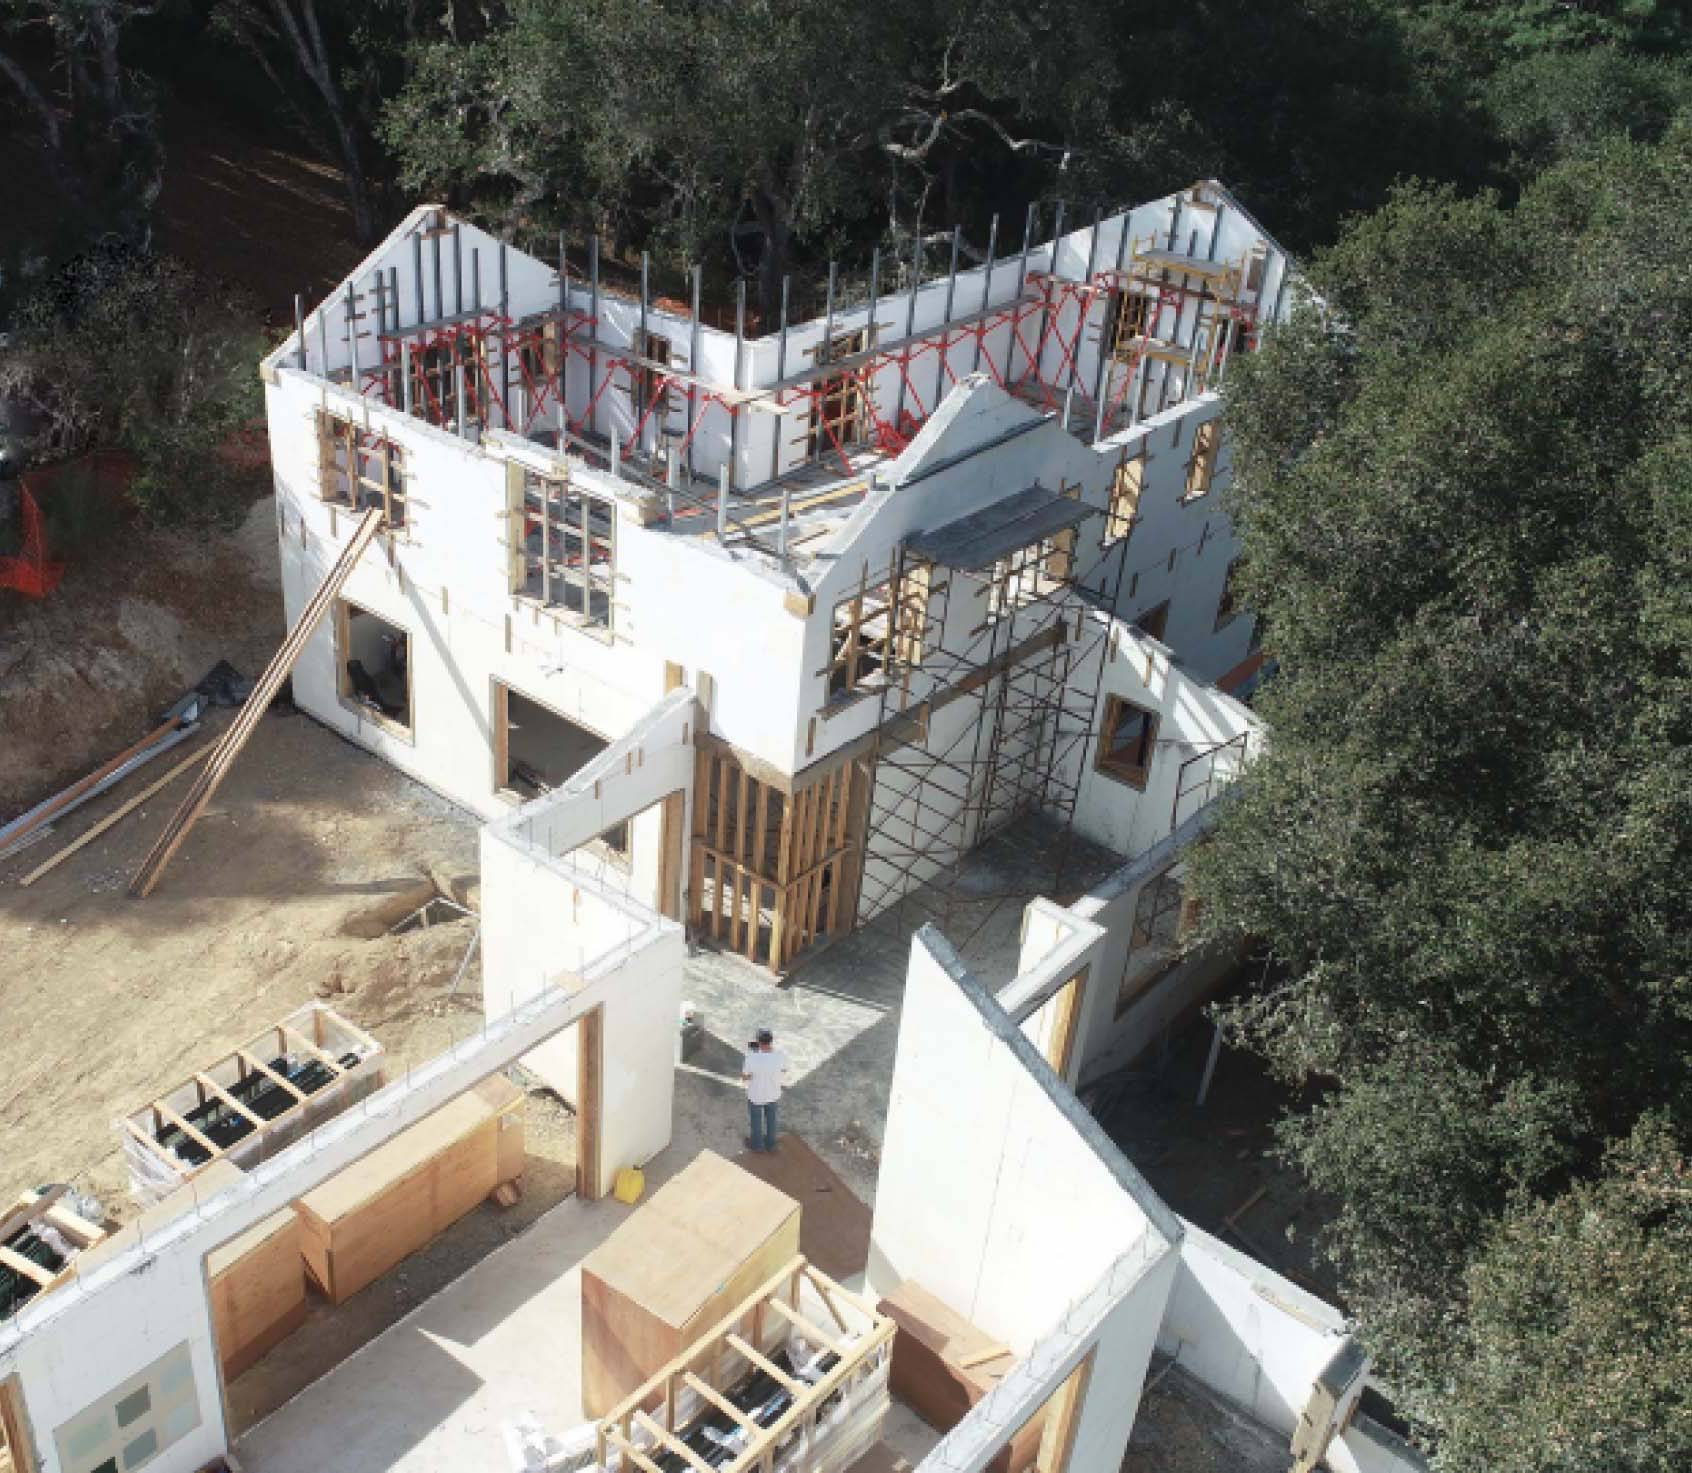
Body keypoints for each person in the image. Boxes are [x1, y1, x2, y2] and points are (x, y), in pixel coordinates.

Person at [741, 1028, 788, 1154]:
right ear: (771, 1041)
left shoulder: (751, 1057)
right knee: (771, 1120)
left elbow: (745, 1077)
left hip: (756, 1095)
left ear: (758, 1041)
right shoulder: (780, 1055)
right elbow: (783, 1070)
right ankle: (771, 1144)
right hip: (773, 1094)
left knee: (756, 1120)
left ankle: (757, 1145)